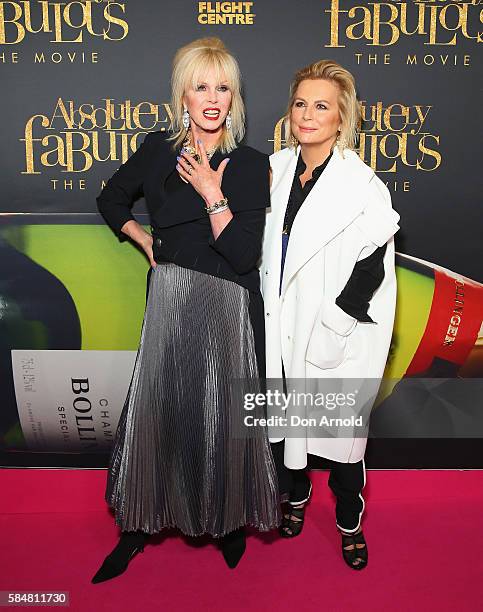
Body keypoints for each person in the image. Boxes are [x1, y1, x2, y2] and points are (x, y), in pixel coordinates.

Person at [91, 37, 280, 583]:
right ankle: (139, 524)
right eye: (201, 86)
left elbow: (244, 253)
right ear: (184, 96)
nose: (213, 98)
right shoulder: (156, 150)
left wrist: (209, 192)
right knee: (159, 412)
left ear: (235, 97)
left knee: (222, 417)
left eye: (223, 87)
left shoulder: (247, 165)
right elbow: (111, 199)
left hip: (227, 306)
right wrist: (141, 239)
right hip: (170, 301)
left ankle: (228, 523)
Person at [261, 60, 400, 570]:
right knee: (284, 431)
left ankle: (349, 524)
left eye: (321, 106)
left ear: (342, 118)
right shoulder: (273, 171)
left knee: (342, 443)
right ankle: (294, 501)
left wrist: (335, 327)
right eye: (300, 103)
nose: (307, 114)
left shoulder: (363, 186)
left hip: (335, 334)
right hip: (280, 328)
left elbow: (370, 271)